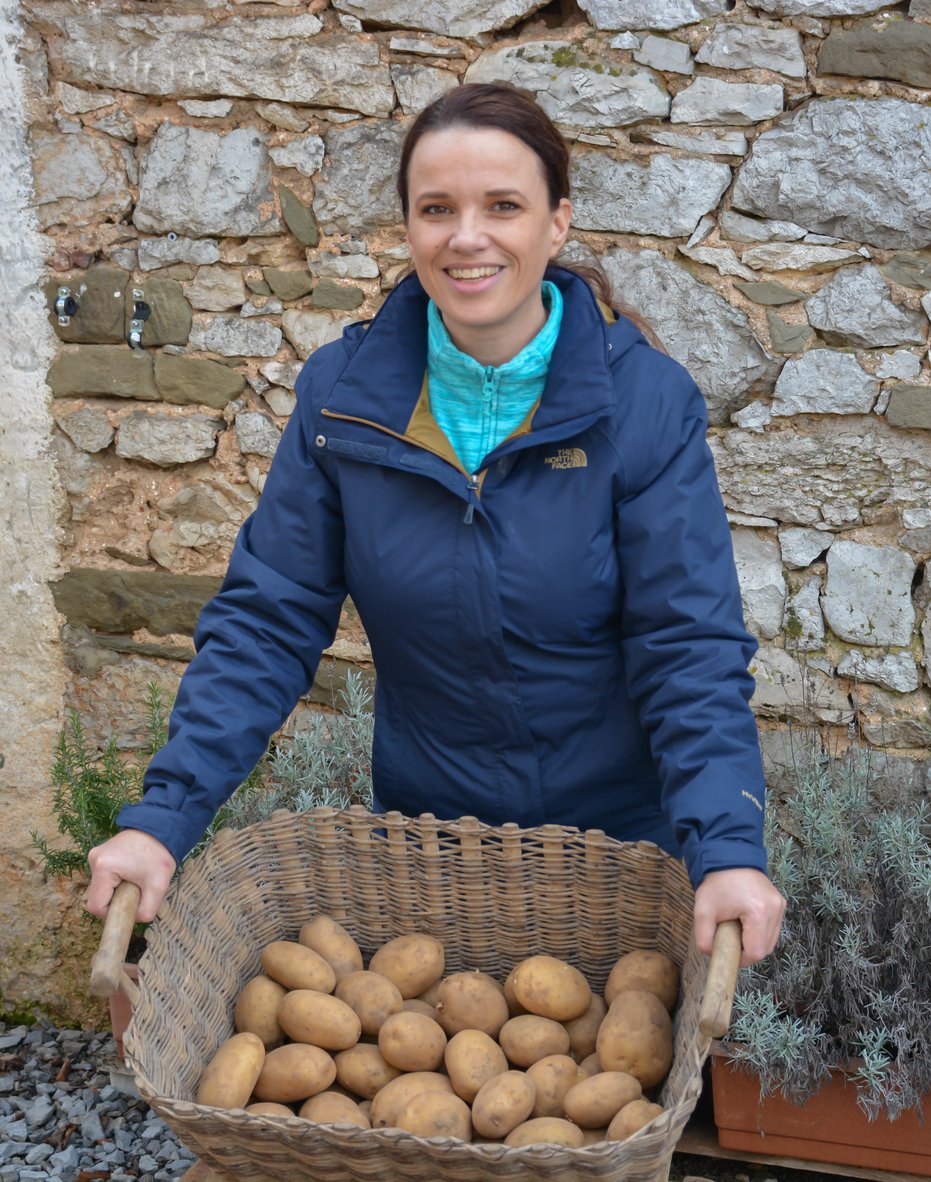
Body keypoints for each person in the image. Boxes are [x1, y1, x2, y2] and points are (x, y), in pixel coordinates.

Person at [87, 83, 785, 967]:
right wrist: (162, 819)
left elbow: (688, 642)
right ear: (409, 228)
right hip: (430, 856)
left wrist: (725, 848)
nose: (467, 236)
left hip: (621, 855)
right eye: (436, 209)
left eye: (503, 206)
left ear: (557, 222)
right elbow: (268, 619)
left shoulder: (644, 405)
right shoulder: (344, 401)